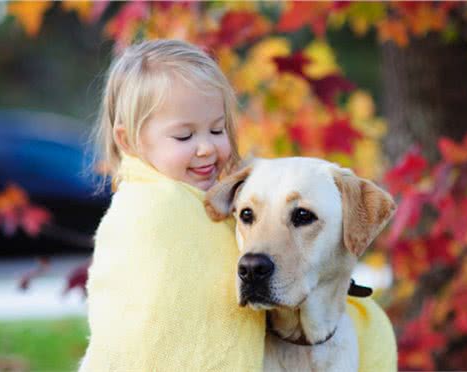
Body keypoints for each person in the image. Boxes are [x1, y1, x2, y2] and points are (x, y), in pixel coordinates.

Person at [79, 39, 396, 371]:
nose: (255, 259)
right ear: (129, 140)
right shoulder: (156, 214)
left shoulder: (216, 194)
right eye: (248, 216)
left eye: (301, 217)